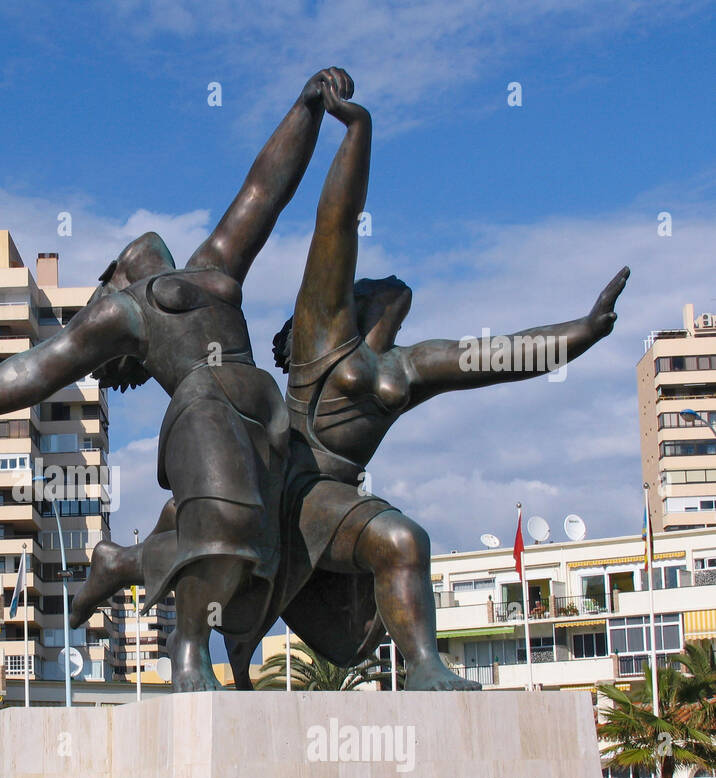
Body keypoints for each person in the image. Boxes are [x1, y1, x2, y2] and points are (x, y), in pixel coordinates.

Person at [0, 68, 355, 691]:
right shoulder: (125, 310)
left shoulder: (215, 264)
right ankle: (188, 651)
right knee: (223, 528)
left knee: (268, 538)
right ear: (116, 277)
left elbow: (265, 189)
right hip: (206, 410)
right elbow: (44, 364)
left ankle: (118, 566)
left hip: (265, 414)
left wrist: (306, 105)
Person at [259, 80, 629, 690]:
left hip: (338, 493)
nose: (389, 281)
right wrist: (358, 130)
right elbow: (337, 221)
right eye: (368, 281)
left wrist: (584, 332)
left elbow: (502, 355)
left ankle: (425, 668)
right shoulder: (322, 334)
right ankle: (427, 667)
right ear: (348, 300)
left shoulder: (411, 365)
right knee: (404, 538)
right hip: (298, 486)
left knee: (401, 541)